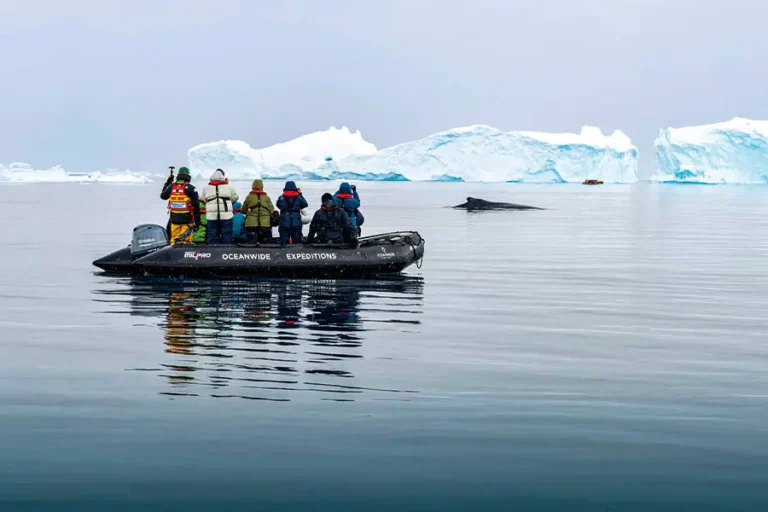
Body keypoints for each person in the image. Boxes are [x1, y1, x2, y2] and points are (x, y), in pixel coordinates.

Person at [160, 166, 200, 243]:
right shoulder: (191, 188)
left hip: (174, 220)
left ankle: (173, 248)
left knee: (174, 240)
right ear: (188, 176)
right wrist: (197, 222)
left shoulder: (171, 187)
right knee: (185, 241)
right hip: (187, 220)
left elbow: (163, 196)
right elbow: (196, 206)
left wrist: (168, 182)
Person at [202, 169, 239, 244]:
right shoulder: (229, 187)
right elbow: (235, 197)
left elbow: (202, 198)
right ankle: (226, 249)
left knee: (212, 234)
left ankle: (213, 249)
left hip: (211, 216)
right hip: (226, 216)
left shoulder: (206, 188)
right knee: (226, 234)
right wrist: (228, 201)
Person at [241, 179, 275, 243]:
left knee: (251, 242)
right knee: (265, 243)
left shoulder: (249, 197)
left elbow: (243, 210)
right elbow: (271, 210)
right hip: (265, 223)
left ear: (253, 186)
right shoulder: (267, 197)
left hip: (251, 223)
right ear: (262, 187)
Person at [276, 181, 308, 246]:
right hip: (296, 221)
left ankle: (284, 250)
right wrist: (300, 194)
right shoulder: (298, 197)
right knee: (296, 241)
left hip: (284, 220)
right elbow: (305, 204)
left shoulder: (282, 197)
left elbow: (278, 205)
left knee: (284, 240)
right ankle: (295, 251)